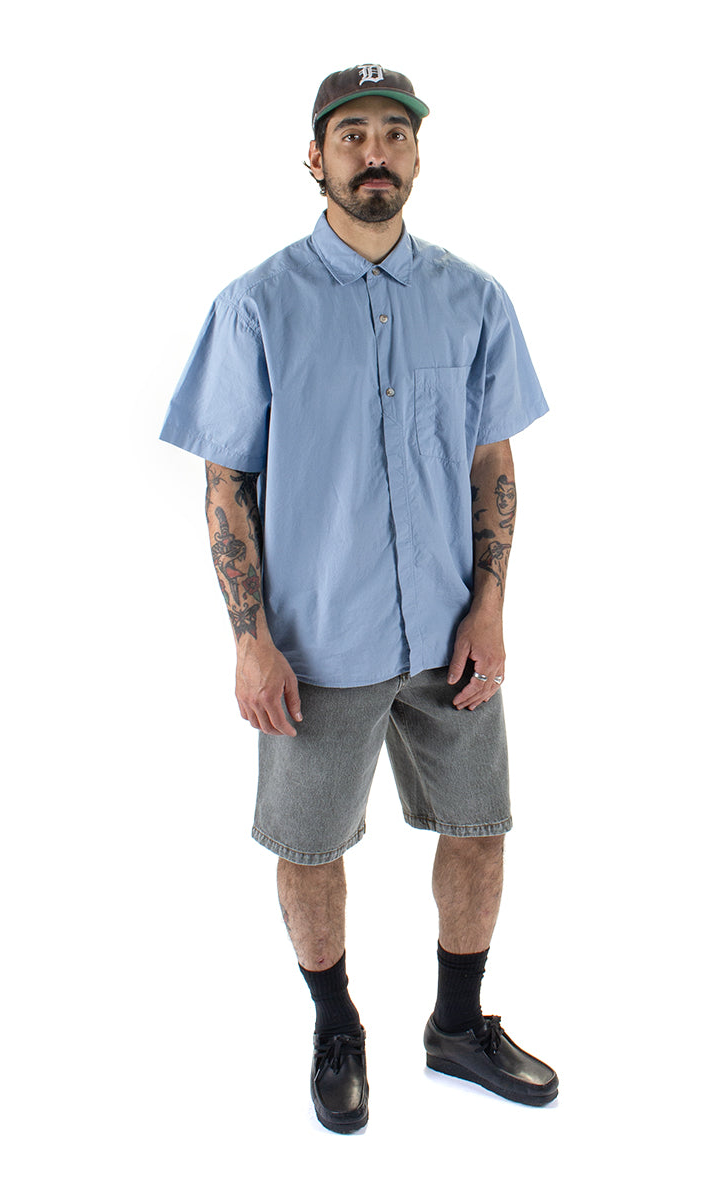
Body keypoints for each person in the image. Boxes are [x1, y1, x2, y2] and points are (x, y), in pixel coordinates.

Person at [160, 64, 557, 1132]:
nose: (374, 152)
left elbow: (491, 459)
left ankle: (458, 1026)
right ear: (315, 157)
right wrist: (250, 641)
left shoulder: (475, 300)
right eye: (351, 135)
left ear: (417, 155)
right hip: (316, 644)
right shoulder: (256, 306)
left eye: (394, 133)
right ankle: (336, 1027)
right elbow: (226, 482)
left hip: (449, 636)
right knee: (309, 847)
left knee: (479, 827)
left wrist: (490, 606)